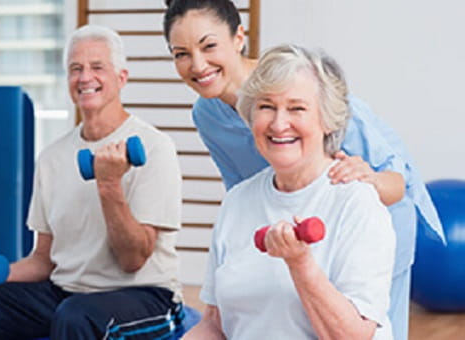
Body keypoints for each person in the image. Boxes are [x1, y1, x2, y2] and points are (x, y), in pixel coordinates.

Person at [163, 1, 444, 339]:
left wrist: (366, 183)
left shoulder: (307, 87)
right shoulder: (207, 115)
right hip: (289, 209)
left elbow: (396, 183)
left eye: (209, 46)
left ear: (239, 37)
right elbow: (241, 190)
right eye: (181, 53)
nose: (198, 64)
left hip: (370, 205)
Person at [0, 25, 185, 340]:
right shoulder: (53, 157)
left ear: (121, 78)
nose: (85, 77)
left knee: (77, 316)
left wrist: (109, 185)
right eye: (75, 69)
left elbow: (133, 260)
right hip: (67, 293)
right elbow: (44, 260)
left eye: (97, 67)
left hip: (144, 295)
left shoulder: (154, 148)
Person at [186, 43, 395, 339]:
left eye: (297, 108)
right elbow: (215, 324)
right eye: (266, 107)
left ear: (326, 120)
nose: (279, 123)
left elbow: (354, 336)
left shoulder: (357, 203)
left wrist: (300, 264)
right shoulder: (237, 201)